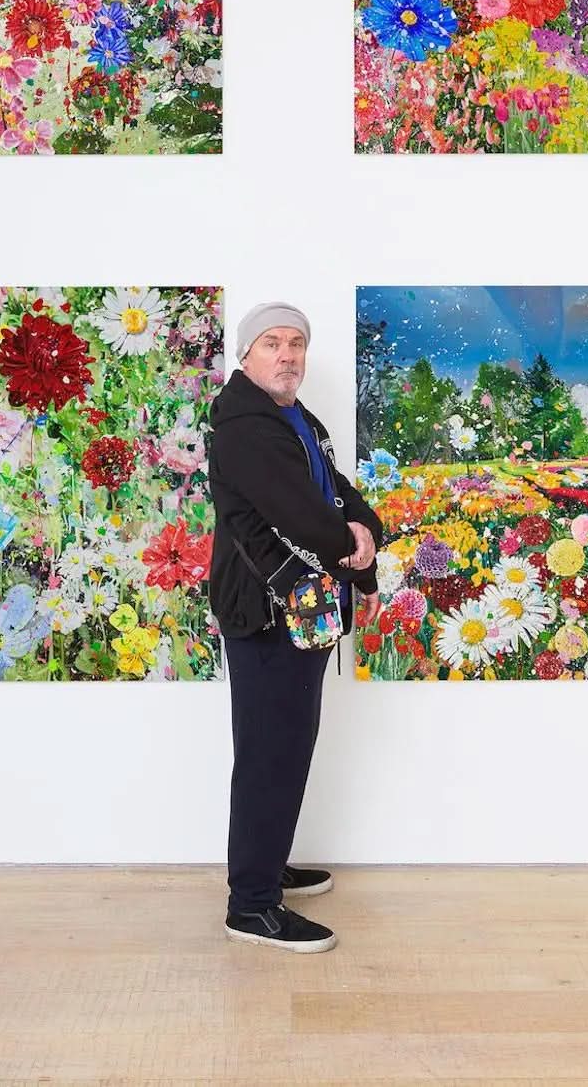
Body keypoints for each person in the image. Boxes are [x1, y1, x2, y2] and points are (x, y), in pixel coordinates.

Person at [207, 301, 384, 952]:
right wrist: (355, 552)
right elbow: (303, 515)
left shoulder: (293, 417)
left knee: (287, 744)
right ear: (245, 355)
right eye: (272, 343)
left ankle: (267, 863)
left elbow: (336, 490)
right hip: (265, 612)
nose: (287, 355)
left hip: (300, 608)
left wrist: (367, 531)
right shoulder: (245, 427)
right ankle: (252, 905)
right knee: (269, 752)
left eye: (296, 343)